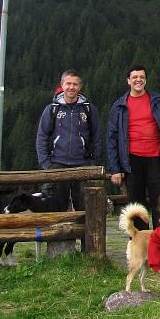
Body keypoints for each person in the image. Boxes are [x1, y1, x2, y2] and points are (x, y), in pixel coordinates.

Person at [106, 65, 160, 228]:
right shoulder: (119, 106)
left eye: (142, 77)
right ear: (128, 81)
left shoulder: (158, 101)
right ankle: (139, 245)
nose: (138, 80)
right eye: (135, 77)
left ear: (146, 80)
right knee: (136, 204)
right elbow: (112, 137)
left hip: (157, 158)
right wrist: (115, 169)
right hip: (131, 159)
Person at [35, 69, 101, 212]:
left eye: (75, 84)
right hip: (57, 165)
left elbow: (96, 136)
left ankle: (85, 236)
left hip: (82, 165)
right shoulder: (52, 109)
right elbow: (42, 136)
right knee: (56, 210)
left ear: (80, 87)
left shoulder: (88, 110)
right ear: (62, 85)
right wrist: (46, 164)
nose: (71, 87)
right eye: (68, 83)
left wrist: (93, 162)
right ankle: (63, 236)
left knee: (85, 210)